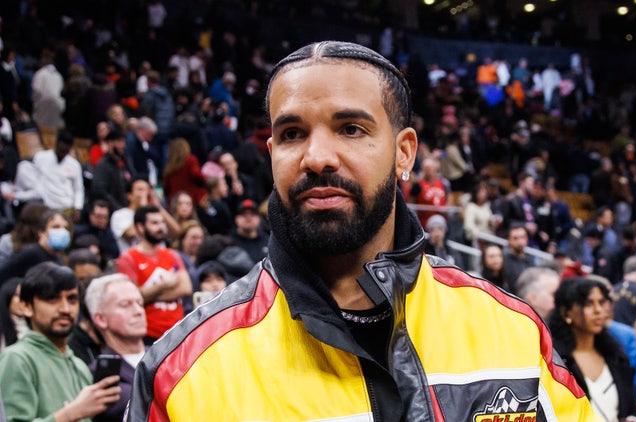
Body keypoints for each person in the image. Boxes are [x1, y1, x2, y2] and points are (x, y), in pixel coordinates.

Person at [126, 41, 596, 421]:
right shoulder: (182, 371)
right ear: (271, 154)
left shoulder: (512, 330)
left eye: (350, 129)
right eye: (292, 134)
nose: (317, 158)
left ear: (404, 152)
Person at [0, 262, 121, 421]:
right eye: (52, 299)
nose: (65, 309)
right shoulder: (17, 358)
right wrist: (72, 412)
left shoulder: (78, 365)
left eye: (72, 299)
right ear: (26, 307)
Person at [549, 276, 636, 422]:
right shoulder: (555, 361)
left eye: (601, 302)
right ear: (566, 312)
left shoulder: (616, 356)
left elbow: (630, 408)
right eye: (588, 304)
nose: (598, 310)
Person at [116, 205, 192, 342]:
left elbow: (186, 288)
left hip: (178, 331)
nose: (161, 227)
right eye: (154, 223)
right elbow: (133, 297)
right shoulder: (128, 258)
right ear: (140, 227)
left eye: (162, 222)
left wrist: (148, 296)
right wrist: (164, 285)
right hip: (148, 334)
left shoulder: (172, 255)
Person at [86, 273, 148, 422]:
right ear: (101, 319)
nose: (138, 311)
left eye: (140, 303)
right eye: (125, 305)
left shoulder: (165, 356)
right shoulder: (99, 376)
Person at [0, 209, 70, 282]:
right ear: (41, 232)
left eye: (65, 228)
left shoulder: (59, 258)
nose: (62, 231)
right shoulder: (29, 253)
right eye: (56, 227)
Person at [32, 129, 84, 221]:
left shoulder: (75, 165)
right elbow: (32, 180)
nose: (62, 153)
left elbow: (78, 189)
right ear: (56, 144)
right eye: (61, 149)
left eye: (66, 151)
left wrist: (77, 207)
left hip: (66, 208)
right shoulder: (41, 157)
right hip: (46, 207)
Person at [162, 137, 207, 207]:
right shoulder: (190, 160)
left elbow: (166, 187)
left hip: (176, 202)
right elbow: (197, 175)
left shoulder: (169, 165)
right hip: (193, 199)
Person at [228, 199, 269, 265]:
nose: (248, 217)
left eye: (253, 214)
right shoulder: (229, 242)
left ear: (259, 219)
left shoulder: (268, 241)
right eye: (244, 214)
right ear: (236, 219)